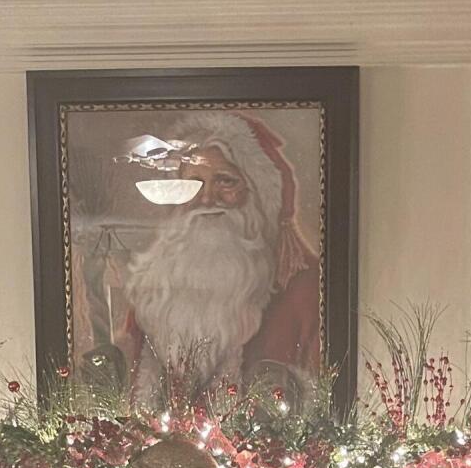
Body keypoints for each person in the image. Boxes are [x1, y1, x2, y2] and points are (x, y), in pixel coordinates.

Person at [116, 110, 322, 403]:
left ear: (257, 193)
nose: (206, 199)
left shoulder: (303, 288)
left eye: (225, 181)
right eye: (193, 183)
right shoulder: (154, 286)